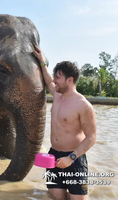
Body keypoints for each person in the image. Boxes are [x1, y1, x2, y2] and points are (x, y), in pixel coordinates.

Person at [33, 46, 96, 200]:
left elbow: (91, 137)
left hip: (74, 159)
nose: (54, 80)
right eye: (55, 76)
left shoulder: (83, 105)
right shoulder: (57, 95)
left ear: (70, 80)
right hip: (54, 157)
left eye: (58, 77)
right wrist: (42, 62)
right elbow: (48, 80)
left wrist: (71, 158)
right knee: (56, 197)